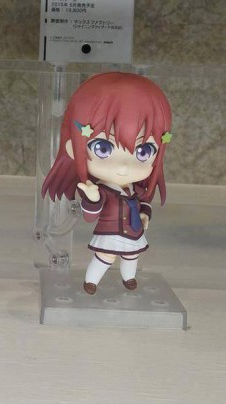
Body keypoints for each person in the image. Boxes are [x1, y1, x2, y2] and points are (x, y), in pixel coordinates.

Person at [42, 72, 172, 295]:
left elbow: (143, 202)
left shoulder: (135, 188)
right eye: (103, 148)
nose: (124, 166)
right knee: (106, 256)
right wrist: (92, 199)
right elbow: (90, 216)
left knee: (132, 255)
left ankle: (129, 278)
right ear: (73, 147)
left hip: (134, 231)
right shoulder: (103, 191)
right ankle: (91, 281)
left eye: (143, 151)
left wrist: (145, 214)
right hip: (110, 231)